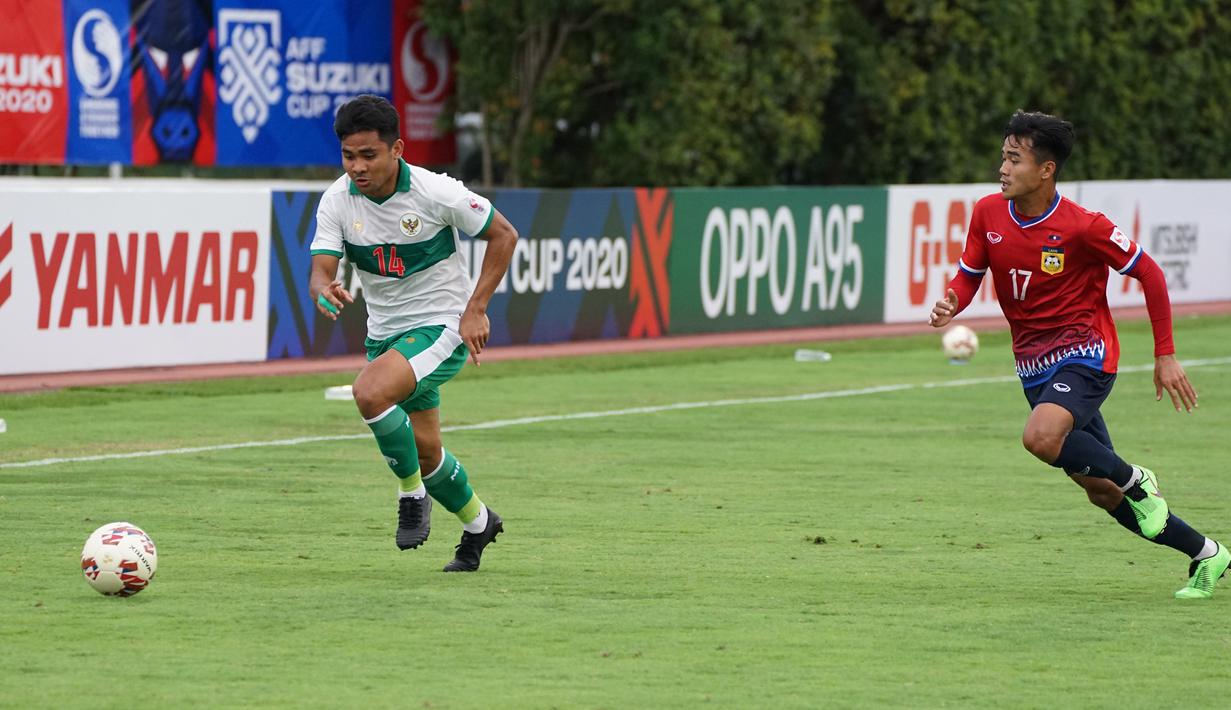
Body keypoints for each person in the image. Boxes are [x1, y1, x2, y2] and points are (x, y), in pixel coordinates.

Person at [929, 109, 1227, 599]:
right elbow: (970, 274)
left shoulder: (1084, 227)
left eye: (1014, 159)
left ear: (1046, 170)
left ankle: (1137, 478)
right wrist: (952, 301)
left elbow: (1149, 272)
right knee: (1099, 489)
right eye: (1002, 156)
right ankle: (1207, 555)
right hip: (1032, 366)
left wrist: (1165, 354)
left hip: (1086, 353)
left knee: (1042, 438)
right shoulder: (986, 213)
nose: (1002, 167)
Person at [309, 95, 517, 572]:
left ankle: (411, 497)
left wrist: (476, 309)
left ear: (397, 148)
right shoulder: (337, 200)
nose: (357, 166)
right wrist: (324, 289)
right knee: (425, 453)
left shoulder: (435, 191)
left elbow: (503, 234)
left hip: (441, 326)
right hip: (386, 335)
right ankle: (479, 523)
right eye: (348, 156)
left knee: (369, 392)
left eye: (368, 155)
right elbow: (321, 271)